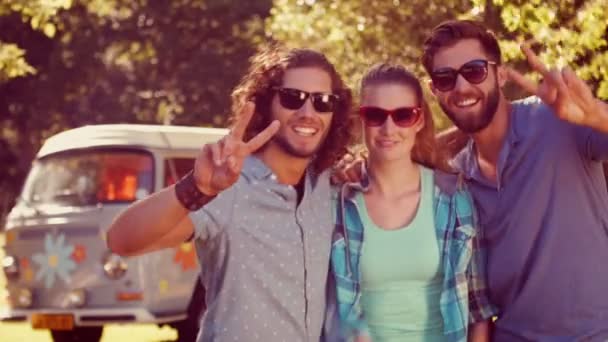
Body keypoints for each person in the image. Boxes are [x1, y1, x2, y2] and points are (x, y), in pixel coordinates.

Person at [106, 45, 354, 341]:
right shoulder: (229, 186)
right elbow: (121, 240)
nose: (307, 113)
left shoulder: (328, 187)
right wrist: (196, 187)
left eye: (323, 102)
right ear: (266, 104)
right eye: (292, 98)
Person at [421, 20, 608, 340]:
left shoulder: (558, 120)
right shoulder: (454, 180)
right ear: (434, 89)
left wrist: (596, 115)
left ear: (501, 74)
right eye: (445, 78)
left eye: (475, 70)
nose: (462, 87)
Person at [330, 63, 496, 342]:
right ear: (361, 119)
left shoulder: (453, 197)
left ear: (419, 120)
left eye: (403, 115)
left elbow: (478, 310)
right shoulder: (340, 201)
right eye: (374, 115)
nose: (388, 128)